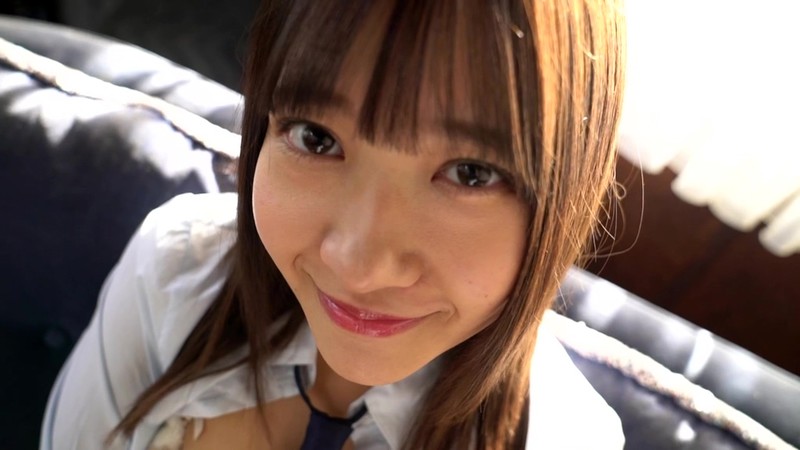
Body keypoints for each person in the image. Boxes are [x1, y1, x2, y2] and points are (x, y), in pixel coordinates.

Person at [41, 0, 626, 448]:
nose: (359, 264)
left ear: (566, 196)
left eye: (471, 174)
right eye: (316, 138)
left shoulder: (563, 438)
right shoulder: (175, 272)